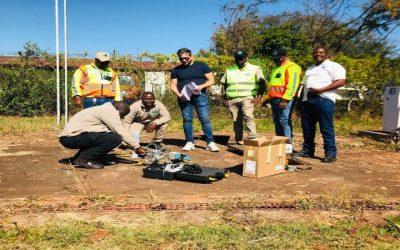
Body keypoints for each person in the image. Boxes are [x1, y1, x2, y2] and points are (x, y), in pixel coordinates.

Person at [59, 101, 146, 169]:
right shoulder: (109, 112)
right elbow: (121, 132)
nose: (121, 118)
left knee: (105, 137)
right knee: (115, 139)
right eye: (122, 116)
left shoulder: (103, 109)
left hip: (72, 137)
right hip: (71, 138)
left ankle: (77, 158)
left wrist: (132, 147)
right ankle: (84, 159)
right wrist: (137, 147)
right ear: (119, 110)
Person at [296, 47, 346, 163]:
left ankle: (330, 154)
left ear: (326, 54)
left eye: (321, 52)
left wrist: (320, 90)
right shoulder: (310, 68)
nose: (318, 54)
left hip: (324, 100)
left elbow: (341, 81)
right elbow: (303, 85)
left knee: (326, 127)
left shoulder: (333, 66)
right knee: (307, 128)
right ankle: (308, 150)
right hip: (307, 101)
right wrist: (299, 100)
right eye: (315, 53)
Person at [170, 48, 220, 152]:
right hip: (184, 97)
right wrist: (179, 95)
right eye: (181, 59)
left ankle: (210, 142)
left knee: (204, 119)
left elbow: (211, 80)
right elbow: (173, 85)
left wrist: (201, 86)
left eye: (186, 58)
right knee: (187, 120)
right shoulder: (176, 70)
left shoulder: (202, 65)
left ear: (191, 56)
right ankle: (189, 142)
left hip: (200, 96)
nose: (183, 60)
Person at [221, 50, 265, 144]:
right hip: (232, 99)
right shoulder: (229, 70)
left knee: (248, 116)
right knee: (237, 120)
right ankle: (239, 140)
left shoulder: (255, 68)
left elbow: (262, 83)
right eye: (237, 59)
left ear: (246, 58)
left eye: (241, 59)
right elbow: (223, 85)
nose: (239, 61)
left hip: (247, 97)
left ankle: (252, 138)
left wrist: (259, 97)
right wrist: (224, 98)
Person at [264, 48, 301, 154]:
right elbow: (273, 86)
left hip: (284, 99)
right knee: (277, 122)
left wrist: (285, 99)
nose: (276, 60)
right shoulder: (277, 68)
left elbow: (293, 85)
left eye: (278, 58)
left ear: (285, 56)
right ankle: (279, 146)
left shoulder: (292, 67)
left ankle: (288, 149)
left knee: (284, 121)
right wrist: (267, 98)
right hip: (274, 100)